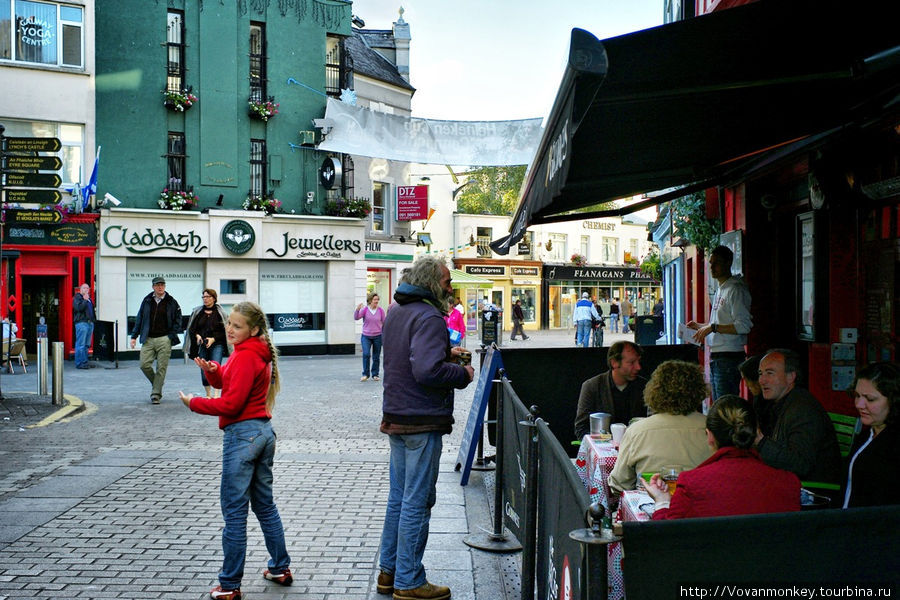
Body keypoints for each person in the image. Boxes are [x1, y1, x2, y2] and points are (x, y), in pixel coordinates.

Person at [376, 256, 475, 600]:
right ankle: (409, 580)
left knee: (399, 500)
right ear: (432, 283)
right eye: (447, 282)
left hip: (398, 414)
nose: (450, 288)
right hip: (420, 418)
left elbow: (410, 358)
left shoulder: (397, 310)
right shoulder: (430, 315)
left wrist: (446, 352)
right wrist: (461, 373)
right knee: (417, 501)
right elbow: (427, 372)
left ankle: (388, 573)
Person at [179, 302, 292, 600]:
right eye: (230, 323)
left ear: (253, 329)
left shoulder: (245, 356)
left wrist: (194, 403)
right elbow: (232, 383)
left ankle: (229, 585)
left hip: (243, 437)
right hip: (263, 433)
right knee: (265, 506)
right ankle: (280, 568)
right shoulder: (254, 351)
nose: (230, 329)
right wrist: (215, 372)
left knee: (234, 514)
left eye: (237, 326)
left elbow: (231, 404)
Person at [644, 395, 800, 519]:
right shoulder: (788, 482)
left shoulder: (691, 484)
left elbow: (667, 538)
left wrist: (662, 502)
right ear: (755, 434)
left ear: (710, 436)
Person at [609, 360, 712, 495]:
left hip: (651, 507)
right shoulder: (713, 428)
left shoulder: (636, 431)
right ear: (699, 391)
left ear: (655, 390)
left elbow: (619, 484)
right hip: (703, 507)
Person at [754, 349, 842, 484]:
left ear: (791, 377)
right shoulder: (783, 403)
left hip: (812, 492)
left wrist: (760, 442)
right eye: (760, 374)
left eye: (770, 373)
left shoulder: (803, 410)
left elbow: (800, 464)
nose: (762, 380)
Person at [687, 245, 753, 401]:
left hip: (729, 357)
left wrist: (712, 327)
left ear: (728, 263)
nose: (712, 267)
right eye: (711, 263)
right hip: (717, 357)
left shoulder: (735, 289)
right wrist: (700, 326)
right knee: (718, 405)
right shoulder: (720, 289)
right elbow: (717, 324)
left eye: (716, 263)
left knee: (725, 406)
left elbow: (744, 326)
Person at [842, 362, 900, 508]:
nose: (859, 404)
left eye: (870, 399)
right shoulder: (868, 433)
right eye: (857, 396)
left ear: (893, 400)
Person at [574, 341, 647, 440]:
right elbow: (581, 428)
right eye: (631, 362)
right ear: (614, 363)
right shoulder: (592, 386)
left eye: (638, 361)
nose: (638, 367)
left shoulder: (645, 387)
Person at [130, 276, 182, 404]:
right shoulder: (147, 300)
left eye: (162, 285)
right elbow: (140, 318)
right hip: (148, 338)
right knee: (144, 364)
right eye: (157, 285)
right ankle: (158, 383)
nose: (160, 287)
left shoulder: (171, 301)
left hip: (164, 339)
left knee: (161, 368)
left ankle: (156, 394)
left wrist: (171, 335)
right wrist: (134, 336)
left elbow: (178, 319)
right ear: (153, 287)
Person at [186, 288, 229, 398]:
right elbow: (191, 329)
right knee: (204, 369)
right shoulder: (198, 312)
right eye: (203, 297)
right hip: (202, 345)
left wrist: (213, 339)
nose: (205, 299)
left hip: (217, 344)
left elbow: (225, 331)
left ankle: (216, 394)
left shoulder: (221, 313)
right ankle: (208, 394)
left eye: (207, 297)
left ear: (214, 298)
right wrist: (197, 335)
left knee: (215, 367)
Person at [355, 292, 386, 381]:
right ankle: (365, 374)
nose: (376, 301)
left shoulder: (380, 310)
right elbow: (356, 317)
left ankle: (375, 374)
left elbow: (385, 322)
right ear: (370, 301)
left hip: (378, 336)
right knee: (366, 354)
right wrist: (357, 310)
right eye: (375, 299)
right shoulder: (365, 310)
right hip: (366, 336)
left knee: (376, 356)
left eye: (377, 299)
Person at [73, 283, 95, 369]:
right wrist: (85, 300)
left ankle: (85, 362)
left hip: (90, 323)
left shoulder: (89, 299)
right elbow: (79, 308)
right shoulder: (78, 298)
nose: (86, 290)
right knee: (81, 344)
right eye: (84, 288)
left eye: (87, 288)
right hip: (82, 323)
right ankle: (79, 363)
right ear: (80, 290)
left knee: (87, 345)